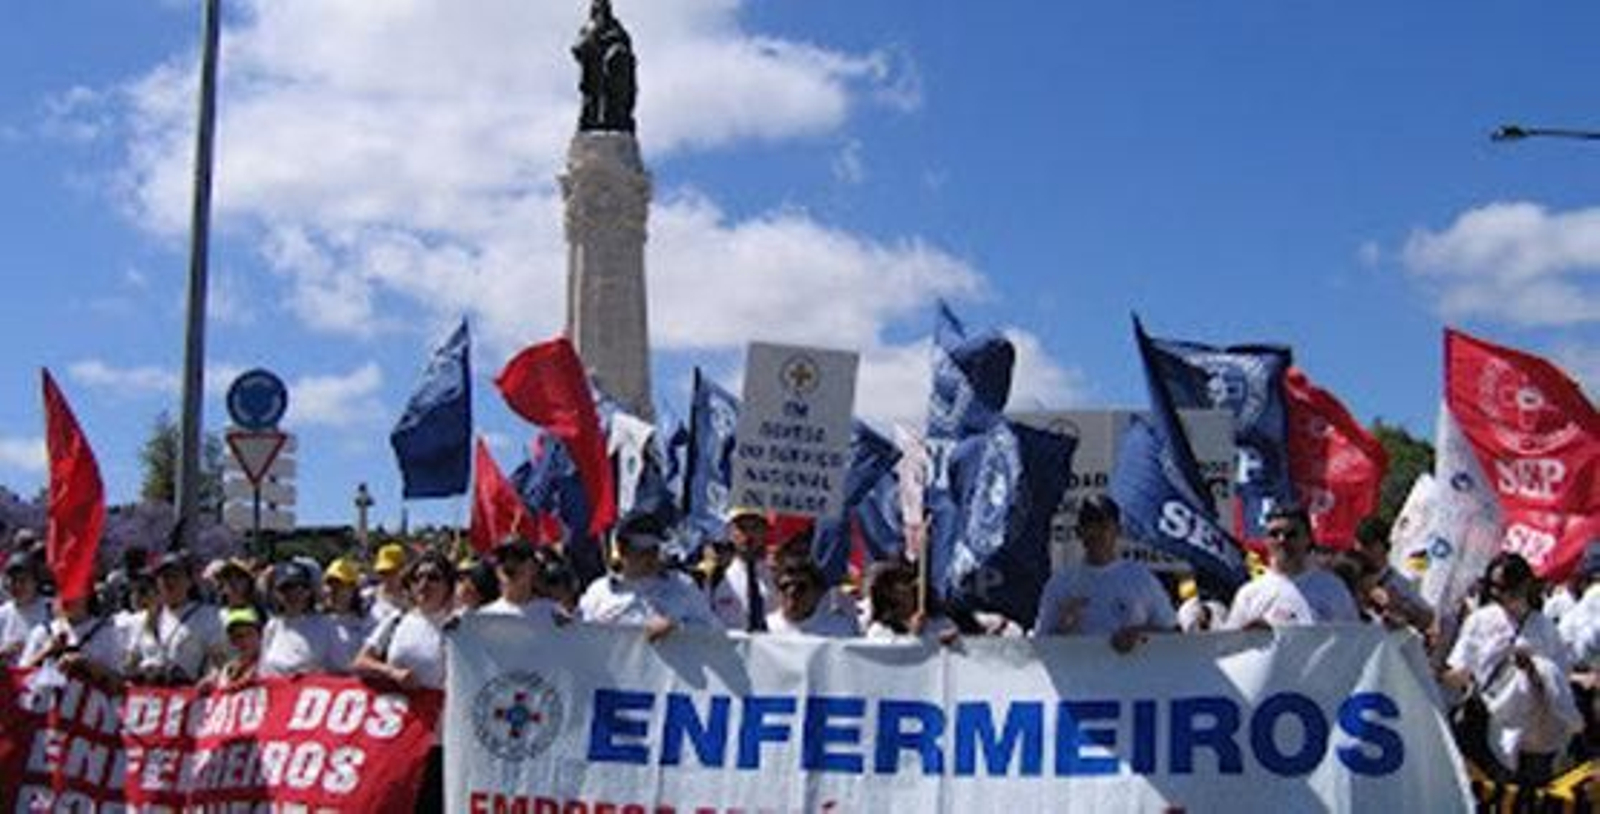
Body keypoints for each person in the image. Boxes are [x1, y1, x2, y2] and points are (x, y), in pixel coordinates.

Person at [1441, 552, 1581, 787]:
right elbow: (1462, 672)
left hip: (1530, 738)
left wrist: (1533, 670)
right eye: (1493, 586)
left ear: (1524, 585)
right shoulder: (1479, 621)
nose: (1497, 593)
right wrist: (1432, 666)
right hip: (1482, 727)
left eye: (1503, 587)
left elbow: (1558, 688)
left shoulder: (1545, 629)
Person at [1032, 495, 1176, 652]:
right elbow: (1040, 646)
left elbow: (1171, 630)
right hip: (1081, 673)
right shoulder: (1061, 583)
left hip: (1132, 675)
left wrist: (1139, 633)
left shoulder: (1141, 577)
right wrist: (1064, 627)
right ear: (1079, 532)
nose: (1096, 534)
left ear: (1118, 531)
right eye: (1089, 526)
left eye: (1103, 526)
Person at [579, 511, 721, 640]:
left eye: (654, 549)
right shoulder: (599, 592)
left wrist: (677, 627)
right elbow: (577, 634)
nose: (651, 557)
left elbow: (717, 632)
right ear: (622, 551)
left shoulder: (682, 586)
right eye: (642, 550)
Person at [1225, 505, 1360, 629]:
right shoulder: (1249, 594)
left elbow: (1353, 642)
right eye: (1274, 534)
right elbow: (1230, 647)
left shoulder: (1333, 588)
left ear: (1308, 539)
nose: (1282, 540)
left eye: (1291, 534)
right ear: (1265, 541)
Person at [127, 551, 227, 685]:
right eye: (163, 576)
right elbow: (130, 664)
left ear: (190, 581)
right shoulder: (145, 618)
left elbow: (222, 664)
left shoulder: (208, 616)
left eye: (176, 576)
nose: (169, 581)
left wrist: (211, 679)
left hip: (188, 695)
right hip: (147, 698)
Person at [20, 593, 125, 687]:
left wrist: (85, 663)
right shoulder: (42, 631)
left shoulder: (107, 632)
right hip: (46, 705)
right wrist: (45, 652)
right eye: (62, 593)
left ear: (87, 597)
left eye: (73, 593)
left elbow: (118, 683)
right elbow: (19, 676)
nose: (66, 600)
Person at [260, 560, 341, 676]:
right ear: (277, 594)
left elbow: (338, 670)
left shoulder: (326, 625)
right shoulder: (272, 626)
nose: (293, 594)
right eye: (285, 589)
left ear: (309, 591)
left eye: (300, 588)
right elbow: (263, 671)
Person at [1354, 516, 1434, 632]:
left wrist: (1397, 604)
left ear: (1382, 546)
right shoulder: (1350, 575)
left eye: (1368, 545)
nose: (1362, 551)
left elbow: (1428, 619)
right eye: (1358, 545)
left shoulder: (1398, 583)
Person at [708, 507, 775, 632]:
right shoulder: (717, 575)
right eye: (742, 528)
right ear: (730, 532)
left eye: (755, 528)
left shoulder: (776, 574)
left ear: (765, 531)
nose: (748, 535)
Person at [765, 555, 859, 638]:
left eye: (801, 586)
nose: (791, 591)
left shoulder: (839, 629)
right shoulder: (765, 628)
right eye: (784, 586)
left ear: (817, 592)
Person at [480, 540, 565, 624]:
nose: (509, 564)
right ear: (496, 570)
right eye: (502, 559)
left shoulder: (553, 614)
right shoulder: (485, 617)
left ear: (533, 568)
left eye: (517, 558)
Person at [0, 551, 50, 667]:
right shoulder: (3, 614)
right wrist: (4, 652)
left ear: (36, 582)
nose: (17, 586)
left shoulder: (51, 608)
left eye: (23, 580)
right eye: (13, 581)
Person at [323, 557, 370, 669]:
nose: (333, 590)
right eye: (330, 584)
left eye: (340, 585)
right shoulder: (315, 620)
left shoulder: (366, 622)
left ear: (353, 588)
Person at [207, 607, 264, 690]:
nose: (245, 640)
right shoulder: (224, 671)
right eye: (239, 636)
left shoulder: (267, 668)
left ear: (260, 635)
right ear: (232, 641)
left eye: (250, 633)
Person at [366, 543, 410, 625]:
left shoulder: (413, 601)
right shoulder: (368, 599)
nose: (387, 577)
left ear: (403, 570)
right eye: (383, 572)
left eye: (393, 572)